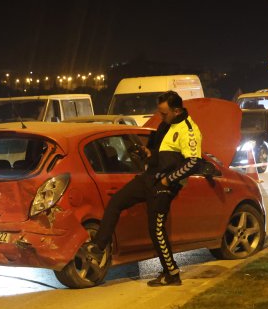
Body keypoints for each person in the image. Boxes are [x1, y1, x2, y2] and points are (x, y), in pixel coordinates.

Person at [81, 90, 203, 286]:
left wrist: (167, 181)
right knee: (116, 202)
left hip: (165, 185)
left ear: (177, 110)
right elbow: (162, 155)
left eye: (164, 113)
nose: (161, 117)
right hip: (149, 178)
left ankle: (172, 274)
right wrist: (148, 153)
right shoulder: (166, 124)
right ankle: (99, 246)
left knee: (156, 230)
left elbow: (193, 163)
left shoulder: (189, 130)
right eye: (159, 113)